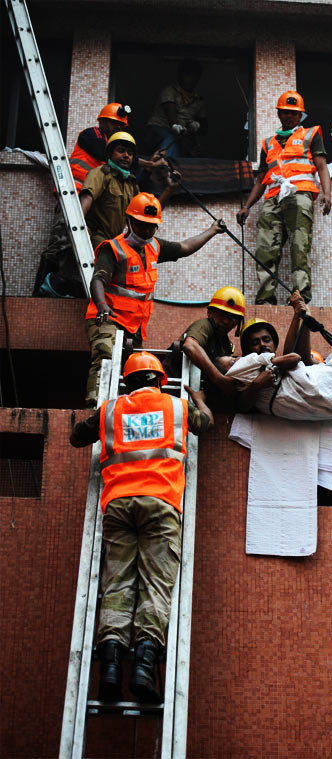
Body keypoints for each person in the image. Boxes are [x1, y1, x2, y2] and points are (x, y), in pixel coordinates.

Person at [70, 351, 214, 702]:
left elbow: (77, 436)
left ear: (127, 381)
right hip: (161, 505)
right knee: (155, 586)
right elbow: (205, 424)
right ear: (160, 380)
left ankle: (111, 667)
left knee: (117, 585)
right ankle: (143, 668)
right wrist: (201, 400)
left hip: (118, 504)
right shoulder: (177, 407)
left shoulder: (109, 410)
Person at [84, 192, 225, 407]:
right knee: (106, 355)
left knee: (130, 369)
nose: (147, 231)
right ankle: (94, 406)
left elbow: (185, 248)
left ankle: (126, 408)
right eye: (142, 225)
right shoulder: (112, 249)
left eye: (152, 226)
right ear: (129, 221)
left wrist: (212, 230)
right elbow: (98, 280)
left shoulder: (154, 247)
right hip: (108, 318)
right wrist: (102, 305)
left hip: (134, 327)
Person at [236, 90, 331, 305]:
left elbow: (322, 167)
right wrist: (247, 206)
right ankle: (266, 298)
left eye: (294, 113)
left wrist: (327, 194)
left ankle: (301, 296)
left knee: (300, 245)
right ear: (279, 113)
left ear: (300, 116)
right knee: (266, 247)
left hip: (300, 193)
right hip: (273, 196)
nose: (289, 116)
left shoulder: (310, 134)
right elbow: (261, 179)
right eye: (286, 112)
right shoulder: (267, 143)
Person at [35, 103, 131, 298]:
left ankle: (59, 288)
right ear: (103, 121)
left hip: (87, 204)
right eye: (115, 124)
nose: (118, 129)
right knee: (60, 243)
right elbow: (104, 151)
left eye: (121, 127)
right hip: (71, 199)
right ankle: (39, 294)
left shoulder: (110, 151)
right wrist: (144, 161)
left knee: (75, 250)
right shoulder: (91, 135)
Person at [165, 287, 246, 399]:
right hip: (170, 386)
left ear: (237, 323)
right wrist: (219, 379)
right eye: (221, 313)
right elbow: (190, 346)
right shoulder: (205, 325)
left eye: (232, 318)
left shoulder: (225, 344)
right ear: (209, 312)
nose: (226, 321)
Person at [144, 59, 207, 158]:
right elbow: (172, 122)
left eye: (193, 75)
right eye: (187, 75)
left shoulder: (199, 100)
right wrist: (177, 128)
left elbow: (204, 129)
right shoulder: (170, 91)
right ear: (179, 75)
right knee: (171, 138)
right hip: (158, 129)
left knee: (194, 149)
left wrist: (196, 125)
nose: (190, 79)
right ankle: (166, 167)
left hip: (181, 135)